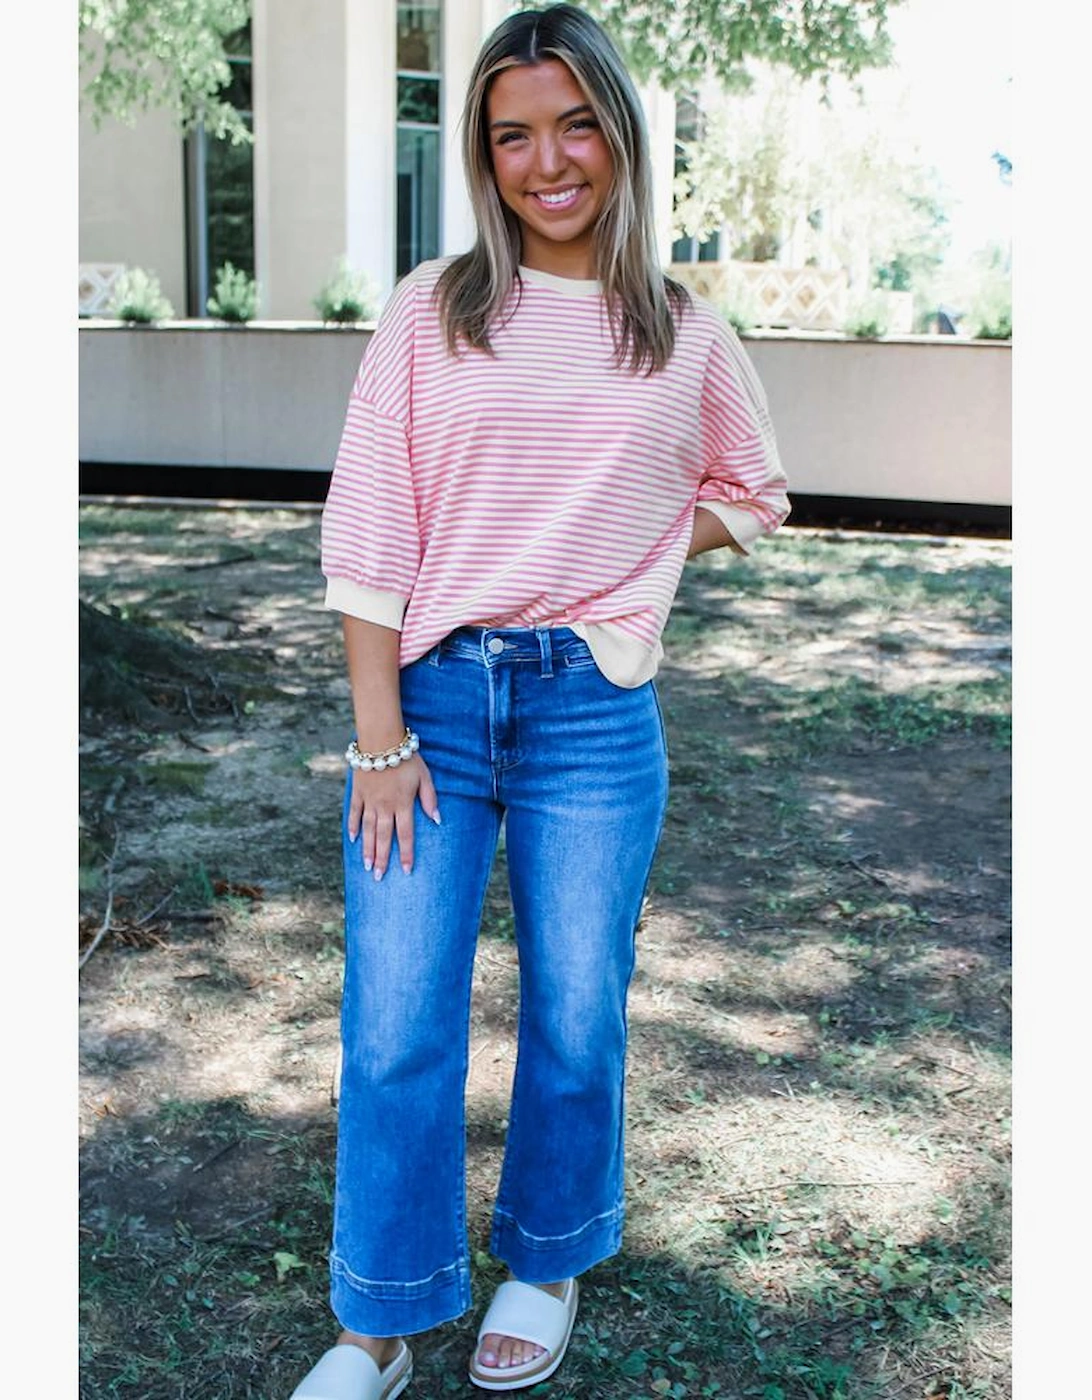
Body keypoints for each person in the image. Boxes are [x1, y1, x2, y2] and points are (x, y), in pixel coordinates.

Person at [291, 6, 789, 1397]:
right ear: (483, 154)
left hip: (594, 714)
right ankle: (379, 1323)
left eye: (575, 125)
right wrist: (379, 736)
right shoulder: (431, 310)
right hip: (432, 709)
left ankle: (548, 1258)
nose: (548, 161)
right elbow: (369, 528)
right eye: (513, 135)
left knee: (578, 1013)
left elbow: (754, 492)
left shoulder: (681, 332)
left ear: (619, 135)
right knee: (397, 1021)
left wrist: (634, 557)